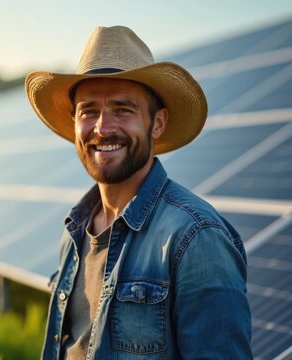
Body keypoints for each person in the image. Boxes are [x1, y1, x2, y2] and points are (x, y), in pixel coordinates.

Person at [25, 26, 252, 359]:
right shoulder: (74, 231)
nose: (103, 128)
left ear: (157, 123)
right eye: (89, 111)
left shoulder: (195, 237)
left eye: (122, 109)